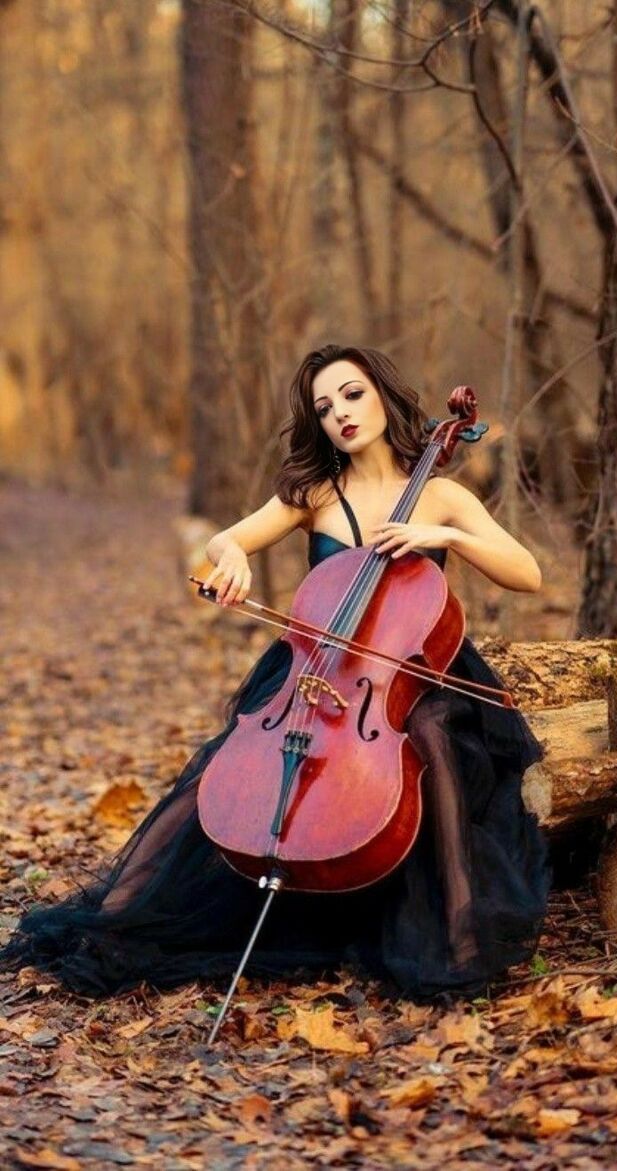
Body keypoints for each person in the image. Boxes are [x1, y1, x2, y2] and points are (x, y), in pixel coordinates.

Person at [0, 344, 551, 1002]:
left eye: (352, 394)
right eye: (325, 407)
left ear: (382, 395)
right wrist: (231, 557)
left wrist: (448, 538)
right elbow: (227, 539)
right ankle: (113, 922)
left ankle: (462, 936)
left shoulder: (440, 495)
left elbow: (529, 573)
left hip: (410, 669)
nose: (341, 413)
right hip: (315, 667)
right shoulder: (314, 495)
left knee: (435, 732)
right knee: (223, 767)